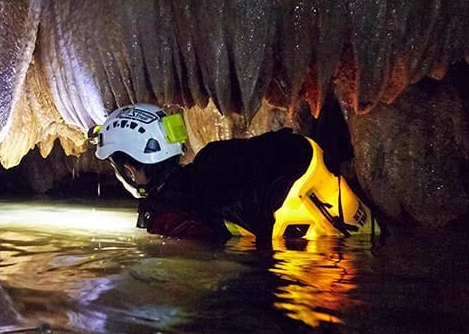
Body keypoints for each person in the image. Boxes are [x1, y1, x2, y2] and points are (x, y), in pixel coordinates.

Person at [88, 103, 380, 243]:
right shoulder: (216, 156)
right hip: (344, 216)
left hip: (304, 267)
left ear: (130, 170)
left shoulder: (164, 214)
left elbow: (191, 264)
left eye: (117, 167)